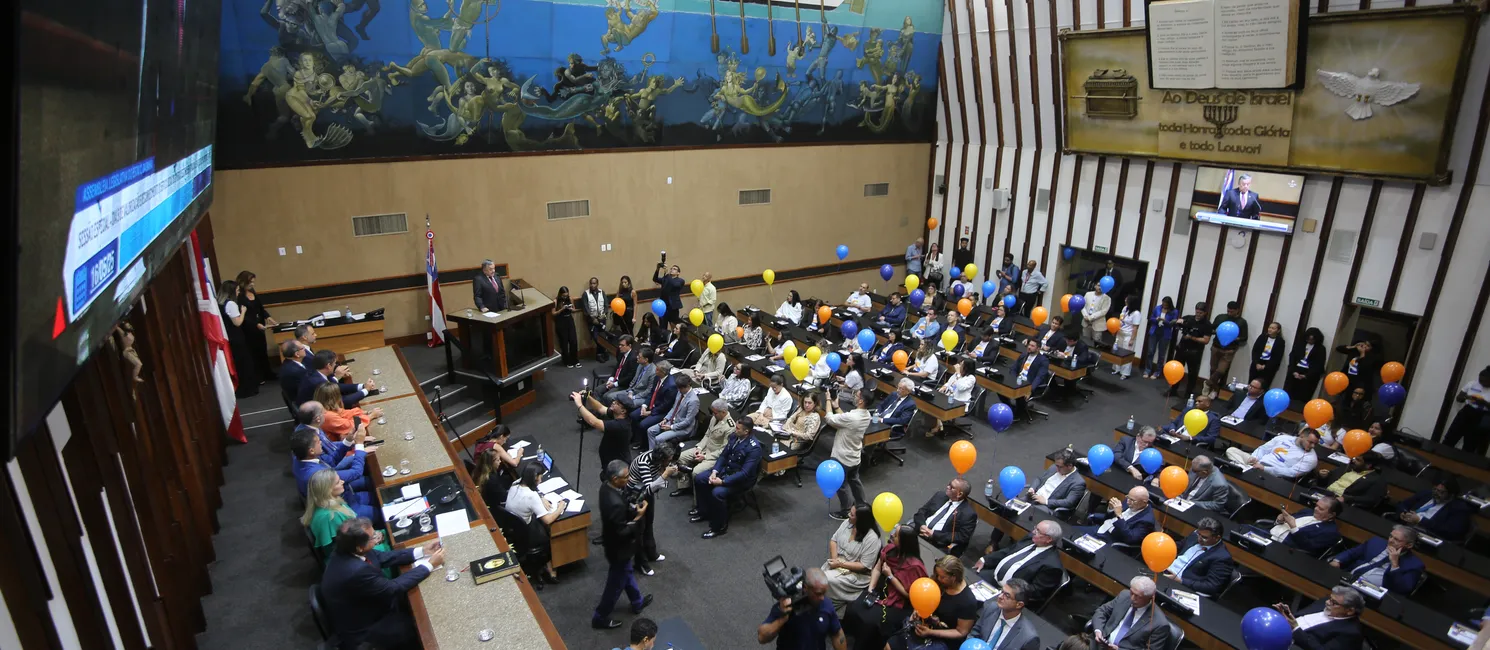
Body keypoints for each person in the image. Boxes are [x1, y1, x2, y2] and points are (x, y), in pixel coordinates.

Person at [321, 518, 442, 650]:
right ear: (359, 547)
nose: (377, 537)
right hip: (365, 630)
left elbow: (383, 557)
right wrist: (429, 565)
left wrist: (422, 551)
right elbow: (392, 588)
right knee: (421, 625)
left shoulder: (347, 549)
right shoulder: (355, 570)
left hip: (368, 606)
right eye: (373, 537)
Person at [593, 460, 655, 629]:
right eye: (626, 477)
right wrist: (638, 516)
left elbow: (619, 514)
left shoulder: (606, 488)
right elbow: (621, 531)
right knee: (614, 586)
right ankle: (599, 617)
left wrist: (632, 510)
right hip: (619, 548)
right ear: (614, 478)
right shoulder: (614, 503)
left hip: (614, 544)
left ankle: (637, 602)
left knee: (627, 573)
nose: (629, 479)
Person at [846, 525, 926, 650]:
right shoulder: (889, 549)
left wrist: (890, 577)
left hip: (899, 602)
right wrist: (870, 588)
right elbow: (877, 568)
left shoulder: (915, 566)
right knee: (854, 608)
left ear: (904, 541)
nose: (893, 535)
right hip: (880, 590)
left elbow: (909, 595)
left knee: (870, 621)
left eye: (897, 535)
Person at [690, 418, 763, 538]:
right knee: (700, 478)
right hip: (726, 470)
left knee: (717, 493)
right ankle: (703, 511)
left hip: (741, 480)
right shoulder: (734, 437)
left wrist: (723, 482)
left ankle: (719, 527)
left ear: (746, 431)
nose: (735, 429)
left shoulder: (754, 448)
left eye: (738, 428)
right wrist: (714, 471)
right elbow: (724, 456)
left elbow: (744, 473)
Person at [887, 556, 978, 650]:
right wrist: (917, 610)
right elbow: (924, 598)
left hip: (945, 639)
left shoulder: (967, 601)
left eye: (942, 577)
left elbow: (961, 632)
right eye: (937, 575)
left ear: (954, 577)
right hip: (926, 625)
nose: (938, 578)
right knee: (890, 645)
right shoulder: (938, 582)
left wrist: (930, 632)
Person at [302, 470, 387, 560]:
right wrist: (372, 541)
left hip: (357, 544)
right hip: (351, 557)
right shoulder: (331, 517)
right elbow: (347, 549)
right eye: (338, 482)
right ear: (328, 490)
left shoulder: (328, 503)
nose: (342, 481)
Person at [505, 464, 566, 587]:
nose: (541, 480)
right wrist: (560, 508)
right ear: (534, 477)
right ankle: (550, 570)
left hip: (513, 527)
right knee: (549, 532)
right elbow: (547, 520)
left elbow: (533, 494)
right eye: (540, 477)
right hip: (527, 532)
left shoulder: (516, 484)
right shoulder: (531, 496)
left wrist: (540, 497)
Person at [975, 521, 1064, 605]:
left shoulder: (1052, 565)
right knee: (967, 582)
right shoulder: (1030, 539)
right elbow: (1009, 551)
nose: (1033, 531)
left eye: (1038, 531)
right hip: (994, 576)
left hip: (1011, 595)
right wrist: (985, 559)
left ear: (1048, 539)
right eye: (1035, 528)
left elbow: (1036, 591)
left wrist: (1009, 591)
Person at [758, 567, 848, 650]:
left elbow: (837, 634)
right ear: (805, 588)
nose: (822, 598)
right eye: (818, 593)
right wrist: (782, 619)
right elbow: (762, 637)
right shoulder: (785, 607)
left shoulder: (827, 604)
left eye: (824, 593)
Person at [627, 443, 678, 576]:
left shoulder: (656, 459)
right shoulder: (644, 462)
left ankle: (651, 553)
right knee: (639, 530)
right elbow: (649, 488)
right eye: (667, 460)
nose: (669, 462)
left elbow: (654, 482)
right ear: (660, 458)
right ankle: (641, 563)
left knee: (649, 523)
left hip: (647, 494)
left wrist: (666, 473)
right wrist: (665, 474)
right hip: (636, 496)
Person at [1330, 526, 1423, 594]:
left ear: (1409, 545)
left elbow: (1403, 589)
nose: (1390, 540)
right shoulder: (1376, 542)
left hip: (1370, 592)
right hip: (1348, 577)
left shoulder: (1415, 565)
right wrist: (1337, 560)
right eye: (1391, 536)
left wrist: (1395, 564)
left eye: (1397, 540)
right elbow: (1353, 552)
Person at [823, 503, 883, 610]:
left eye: (852, 515)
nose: (848, 515)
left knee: (826, 579)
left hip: (855, 574)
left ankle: (828, 608)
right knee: (818, 577)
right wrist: (835, 559)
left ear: (861, 520)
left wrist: (840, 564)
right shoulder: (848, 523)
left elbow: (864, 566)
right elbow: (834, 540)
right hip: (837, 563)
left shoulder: (872, 539)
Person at [828, 389, 872, 520]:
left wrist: (828, 401)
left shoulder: (852, 417)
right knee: (854, 480)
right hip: (854, 456)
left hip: (842, 457)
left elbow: (829, 419)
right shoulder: (867, 415)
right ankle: (862, 504)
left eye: (857, 395)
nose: (854, 396)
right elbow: (846, 421)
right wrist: (837, 407)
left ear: (861, 401)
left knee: (839, 484)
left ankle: (846, 510)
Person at [1273, 587, 1365, 650]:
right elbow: (1300, 617)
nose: (1327, 602)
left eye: (1334, 602)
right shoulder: (1323, 603)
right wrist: (1288, 615)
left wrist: (1296, 629)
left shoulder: (1351, 633)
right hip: (1283, 630)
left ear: (1350, 611)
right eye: (1329, 598)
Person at [1090, 577, 1170, 650]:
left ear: (1150, 598)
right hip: (1101, 643)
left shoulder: (1160, 624)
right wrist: (1098, 631)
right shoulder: (1124, 595)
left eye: (1138, 596)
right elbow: (1102, 611)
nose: (1132, 598)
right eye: (1131, 593)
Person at [674, 401, 735, 497]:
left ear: (723, 412)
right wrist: (699, 447)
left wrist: (705, 456)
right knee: (681, 457)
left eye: (715, 413)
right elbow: (707, 435)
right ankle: (684, 486)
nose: (713, 415)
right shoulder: (714, 418)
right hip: (705, 448)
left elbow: (724, 450)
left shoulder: (730, 427)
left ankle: (697, 501)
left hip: (714, 456)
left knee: (696, 472)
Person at [1163, 519, 1235, 596]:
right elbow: (1176, 547)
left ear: (1217, 538)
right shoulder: (1195, 535)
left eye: (1204, 537)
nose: (1199, 538)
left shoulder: (1222, 558)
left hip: (1184, 586)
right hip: (1165, 571)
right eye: (1198, 534)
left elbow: (1211, 586)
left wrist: (1181, 581)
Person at [1253, 495, 1343, 556]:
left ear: (1331, 515)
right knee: (1242, 529)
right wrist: (1279, 521)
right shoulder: (1307, 511)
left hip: (1283, 548)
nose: (1315, 509)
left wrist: (1294, 528)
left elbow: (1309, 547)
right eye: (1316, 506)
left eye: (1321, 509)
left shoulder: (1331, 532)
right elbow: (1283, 522)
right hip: (1267, 534)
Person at [965, 579, 1040, 650]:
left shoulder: (1028, 637)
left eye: (1007, 595)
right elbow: (975, 632)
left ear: (1019, 605)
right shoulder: (991, 608)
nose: (1000, 597)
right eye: (1002, 592)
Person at [911, 478, 978, 557]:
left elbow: (961, 537)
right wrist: (922, 525)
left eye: (951, 487)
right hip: (920, 532)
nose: (947, 487)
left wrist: (933, 534)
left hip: (938, 543)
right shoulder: (939, 496)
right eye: (949, 484)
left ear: (959, 494)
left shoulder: (968, 514)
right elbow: (921, 512)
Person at [1393, 478, 1475, 541]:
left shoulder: (1459, 509)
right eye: (1435, 489)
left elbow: (1451, 532)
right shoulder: (1426, 494)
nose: (1436, 493)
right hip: (1404, 528)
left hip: (1425, 536)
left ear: (1451, 495)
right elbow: (1403, 504)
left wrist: (1421, 520)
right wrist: (1403, 512)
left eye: (1441, 492)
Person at [573, 390, 637, 469]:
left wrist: (580, 405)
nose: (613, 402)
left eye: (617, 403)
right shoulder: (619, 415)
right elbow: (600, 408)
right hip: (611, 461)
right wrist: (588, 396)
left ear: (623, 411)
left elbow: (594, 422)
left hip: (618, 467)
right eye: (615, 401)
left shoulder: (621, 426)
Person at [235, 271, 279, 383]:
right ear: (243, 282)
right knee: (253, 352)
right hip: (249, 328)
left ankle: (267, 373)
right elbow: (243, 315)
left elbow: (260, 308)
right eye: (250, 282)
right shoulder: (239, 296)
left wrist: (268, 318)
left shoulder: (253, 292)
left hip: (260, 325)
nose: (252, 285)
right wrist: (256, 324)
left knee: (262, 350)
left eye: (253, 282)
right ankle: (258, 376)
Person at [218, 279, 260, 397]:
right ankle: (248, 388)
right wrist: (243, 311)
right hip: (237, 337)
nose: (238, 293)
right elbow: (237, 322)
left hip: (229, 337)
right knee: (245, 362)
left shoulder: (220, 303)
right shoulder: (231, 304)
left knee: (238, 362)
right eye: (236, 291)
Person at [1225, 429, 1320, 479]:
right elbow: (1263, 449)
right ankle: (1246, 466)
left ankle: (1243, 467)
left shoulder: (1311, 458)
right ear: (1302, 436)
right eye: (1310, 442)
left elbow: (1291, 473)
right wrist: (1254, 457)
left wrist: (1265, 469)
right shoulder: (1284, 438)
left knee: (1234, 464)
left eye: (1315, 443)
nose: (1313, 446)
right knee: (1231, 450)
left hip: (1273, 474)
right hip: (1258, 462)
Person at [1307, 451, 1387, 509]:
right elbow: (1324, 482)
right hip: (1323, 494)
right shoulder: (1346, 467)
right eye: (1355, 458)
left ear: (1368, 465)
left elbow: (1370, 499)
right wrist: (1322, 477)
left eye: (1358, 460)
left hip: (1340, 504)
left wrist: (1347, 498)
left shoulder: (1376, 480)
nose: (1354, 461)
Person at [1078, 486, 1155, 545]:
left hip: (1109, 539)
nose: (1128, 502)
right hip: (1099, 529)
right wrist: (1111, 509)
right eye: (1128, 497)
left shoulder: (1147, 521)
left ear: (1144, 502)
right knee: (1070, 532)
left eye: (1132, 500)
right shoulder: (1129, 500)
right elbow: (1108, 518)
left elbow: (1130, 538)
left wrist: (1119, 516)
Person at [297, 349, 375, 408]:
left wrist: (363, 386)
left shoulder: (317, 371)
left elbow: (336, 386)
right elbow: (342, 402)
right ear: (328, 366)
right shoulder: (319, 383)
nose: (336, 366)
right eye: (334, 363)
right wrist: (366, 390)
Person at [1023, 449, 1087, 515]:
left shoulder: (1078, 483)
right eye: (1056, 465)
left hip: (1047, 507)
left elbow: (1068, 502)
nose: (1057, 469)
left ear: (1070, 466)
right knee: (1014, 505)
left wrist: (1046, 501)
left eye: (1060, 467)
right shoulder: (1054, 467)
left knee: (1027, 514)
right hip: (1033, 497)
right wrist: (1032, 488)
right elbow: (1039, 479)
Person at [628, 361, 677, 448]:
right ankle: (635, 438)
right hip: (650, 406)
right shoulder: (657, 377)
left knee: (643, 424)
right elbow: (651, 393)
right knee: (633, 415)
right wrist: (644, 406)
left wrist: (650, 412)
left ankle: (644, 445)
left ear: (663, 372)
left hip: (660, 411)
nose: (655, 371)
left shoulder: (671, 386)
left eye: (657, 370)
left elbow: (665, 405)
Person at [1170, 302, 1213, 400]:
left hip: (1195, 352)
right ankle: (1173, 390)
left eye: (1200, 313)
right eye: (1197, 312)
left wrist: (1192, 337)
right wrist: (1178, 321)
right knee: (1177, 370)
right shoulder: (1189, 318)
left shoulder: (1207, 325)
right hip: (1182, 349)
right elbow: (1179, 321)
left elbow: (1206, 340)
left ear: (1205, 313)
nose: (1198, 314)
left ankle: (1188, 394)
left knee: (1192, 374)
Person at [1206, 301, 1249, 396]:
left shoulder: (1242, 322)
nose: (1229, 313)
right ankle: (1213, 391)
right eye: (1228, 311)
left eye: (1232, 311)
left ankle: (1209, 384)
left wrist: (1233, 337)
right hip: (1216, 347)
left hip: (1229, 350)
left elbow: (1244, 338)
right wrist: (1216, 331)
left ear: (1237, 310)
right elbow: (1212, 328)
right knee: (1213, 369)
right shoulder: (1220, 317)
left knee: (1221, 371)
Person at [313, 382, 381, 441]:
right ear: (334, 398)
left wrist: (365, 412)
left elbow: (344, 413)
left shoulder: (325, 406)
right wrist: (371, 416)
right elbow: (350, 426)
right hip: (338, 447)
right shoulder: (327, 415)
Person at [1445, 366, 1490, 455]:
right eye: (1480, 380)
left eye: (1485, 381)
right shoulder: (1472, 384)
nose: (1481, 383)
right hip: (1467, 412)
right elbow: (1459, 398)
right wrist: (1467, 397)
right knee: (1450, 438)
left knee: (1470, 446)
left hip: (1481, 417)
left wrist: (1484, 403)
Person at [927, 357, 976, 436]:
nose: (959, 366)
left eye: (961, 365)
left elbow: (960, 388)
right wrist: (944, 386)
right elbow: (950, 382)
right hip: (949, 396)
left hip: (959, 402)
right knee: (932, 401)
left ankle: (938, 426)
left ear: (967, 367)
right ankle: (938, 424)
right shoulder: (958, 374)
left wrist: (958, 374)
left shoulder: (971, 378)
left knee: (939, 405)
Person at [1162, 455, 1230, 512]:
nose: (1192, 471)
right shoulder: (1196, 468)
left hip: (1195, 509)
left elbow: (1218, 505)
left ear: (1204, 472)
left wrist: (1192, 503)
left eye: (1194, 471)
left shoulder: (1220, 484)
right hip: (1180, 500)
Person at [1284, 327, 1327, 403]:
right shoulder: (1299, 344)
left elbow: (1319, 364)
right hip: (1295, 370)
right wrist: (1293, 371)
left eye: (1312, 339)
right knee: (1289, 393)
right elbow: (1292, 358)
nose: (1310, 341)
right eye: (1308, 339)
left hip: (1309, 374)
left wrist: (1307, 375)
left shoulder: (1321, 349)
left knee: (1303, 397)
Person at [1143, 297, 1178, 379]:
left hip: (1165, 333)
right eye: (1163, 303)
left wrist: (1164, 320)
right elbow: (1151, 318)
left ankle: (1157, 372)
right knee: (1150, 351)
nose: (1164, 305)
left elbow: (1173, 324)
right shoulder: (1157, 308)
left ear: (1169, 304)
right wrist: (1156, 319)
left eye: (1165, 304)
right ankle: (1147, 370)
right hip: (1155, 331)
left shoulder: (1174, 311)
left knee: (1161, 354)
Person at [598, 335, 640, 400]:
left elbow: (630, 377)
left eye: (622, 345)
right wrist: (611, 378)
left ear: (629, 346)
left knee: (607, 396)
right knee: (598, 390)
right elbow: (617, 367)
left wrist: (615, 384)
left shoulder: (633, 358)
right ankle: (598, 408)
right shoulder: (621, 353)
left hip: (623, 384)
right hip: (615, 380)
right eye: (619, 345)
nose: (620, 347)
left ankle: (605, 409)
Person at [1111, 295, 1143, 377]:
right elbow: (1120, 320)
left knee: (1126, 354)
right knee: (1117, 350)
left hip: (1128, 335)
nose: (1125, 301)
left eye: (1127, 300)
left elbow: (1135, 327)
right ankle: (1116, 368)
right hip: (1120, 332)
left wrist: (1132, 339)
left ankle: (1125, 373)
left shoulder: (1136, 314)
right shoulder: (1125, 308)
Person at [1249, 321, 1286, 387]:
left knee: (1264, 385)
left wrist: (1265, 366)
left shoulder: (1280, 342)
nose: (1270, 329)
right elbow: (1255, 351)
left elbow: (1278, 357)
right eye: (1269, 327)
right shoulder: (1262, 337)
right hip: (1257, 363)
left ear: (1278, 330)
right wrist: (1257, 363)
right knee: (1252, 383)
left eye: (1273, 328)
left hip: (1269, 366)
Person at [582, 277, 610, 358]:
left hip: (602, 319)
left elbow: (606, 305)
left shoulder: (602, 292)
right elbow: (585, 308)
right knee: (596, 337)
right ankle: (602, 352)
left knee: (603, 337)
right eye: (591, 283)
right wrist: (592, 319)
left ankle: (600, 354)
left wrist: (604, 314)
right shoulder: (586, 294)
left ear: (597, 284)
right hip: (592, 320)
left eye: (594, 283)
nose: (592, 285)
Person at [554, 285, 581, 368]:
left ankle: (575, 360)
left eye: (566, 295)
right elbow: (553, 313)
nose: (565, 297)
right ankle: (567, 361)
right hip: (561, 322)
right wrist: (562, 309)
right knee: (564, 342)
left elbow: (574, 309)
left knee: (573, 341)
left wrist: (570, 309)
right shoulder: (555, 301)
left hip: (569, 320)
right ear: (560, 294)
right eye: (563, 296)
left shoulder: (570, 299)